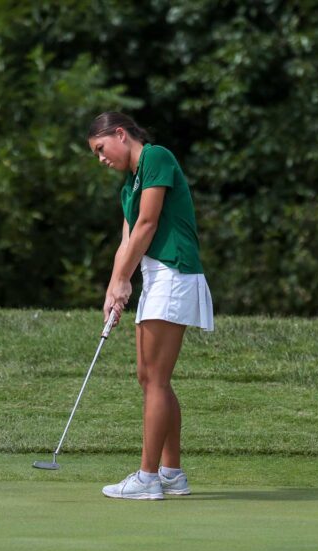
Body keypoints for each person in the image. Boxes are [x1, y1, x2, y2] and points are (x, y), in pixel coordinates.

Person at [86, 111, 214, 500]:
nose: (101, 159)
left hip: (174, 271)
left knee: (155, 379)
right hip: (157, 277)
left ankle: (147, 478)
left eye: (101, 148)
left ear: (120, 134)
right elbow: (127, 240)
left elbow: (148, 224)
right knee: (150, 378)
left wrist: (124, 279)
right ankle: (171, 473)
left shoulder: (156, 157)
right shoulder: (129, 186)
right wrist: (113, 288)